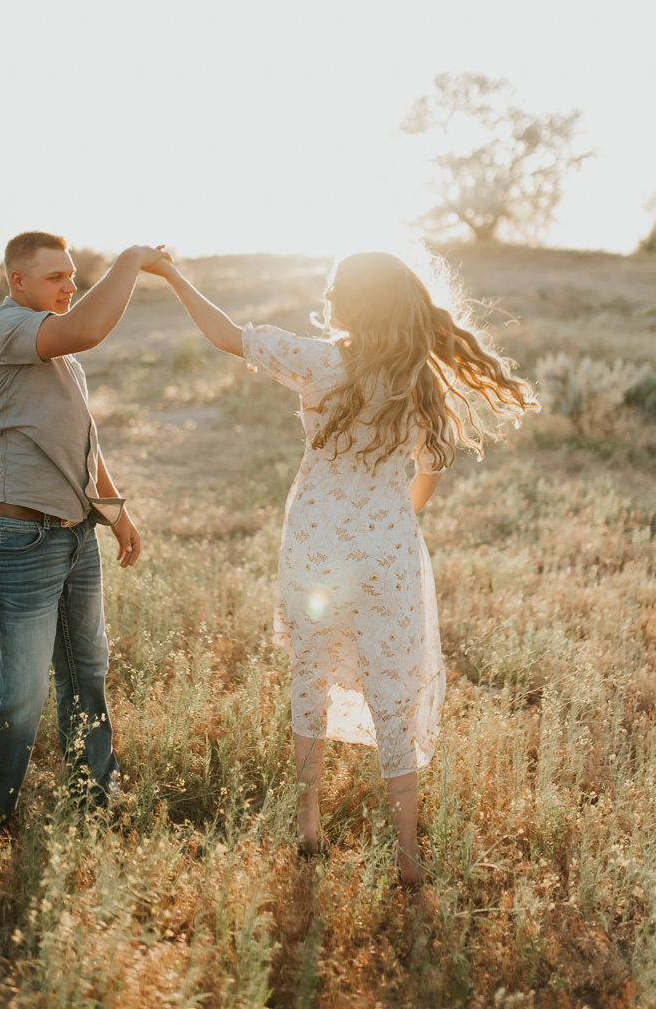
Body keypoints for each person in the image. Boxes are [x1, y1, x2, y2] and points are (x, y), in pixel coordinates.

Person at [151, 250, 537, 883]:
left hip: (316, 547)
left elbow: (226, 335)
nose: (327, 298)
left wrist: (172, 276)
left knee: (310, 675)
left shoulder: (319, 361)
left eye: (334, 290)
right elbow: (431, 471)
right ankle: (408, 856)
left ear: (353, 303)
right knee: (393, 691)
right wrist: (389, 517)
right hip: (387, 549)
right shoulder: (417, 377)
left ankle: (308, 828)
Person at [0, 231, 171, 827]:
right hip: (17, 536)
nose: (70, 285)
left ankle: (95, 803)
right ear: (18, 281)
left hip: (76, 534)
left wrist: (115, 512)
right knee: (23, 690)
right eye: (55, 276)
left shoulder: (62, 358)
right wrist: (132, 259)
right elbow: (88, 327)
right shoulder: (2, 326)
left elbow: (82, 442)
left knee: (87, 674)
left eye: (72, 275)